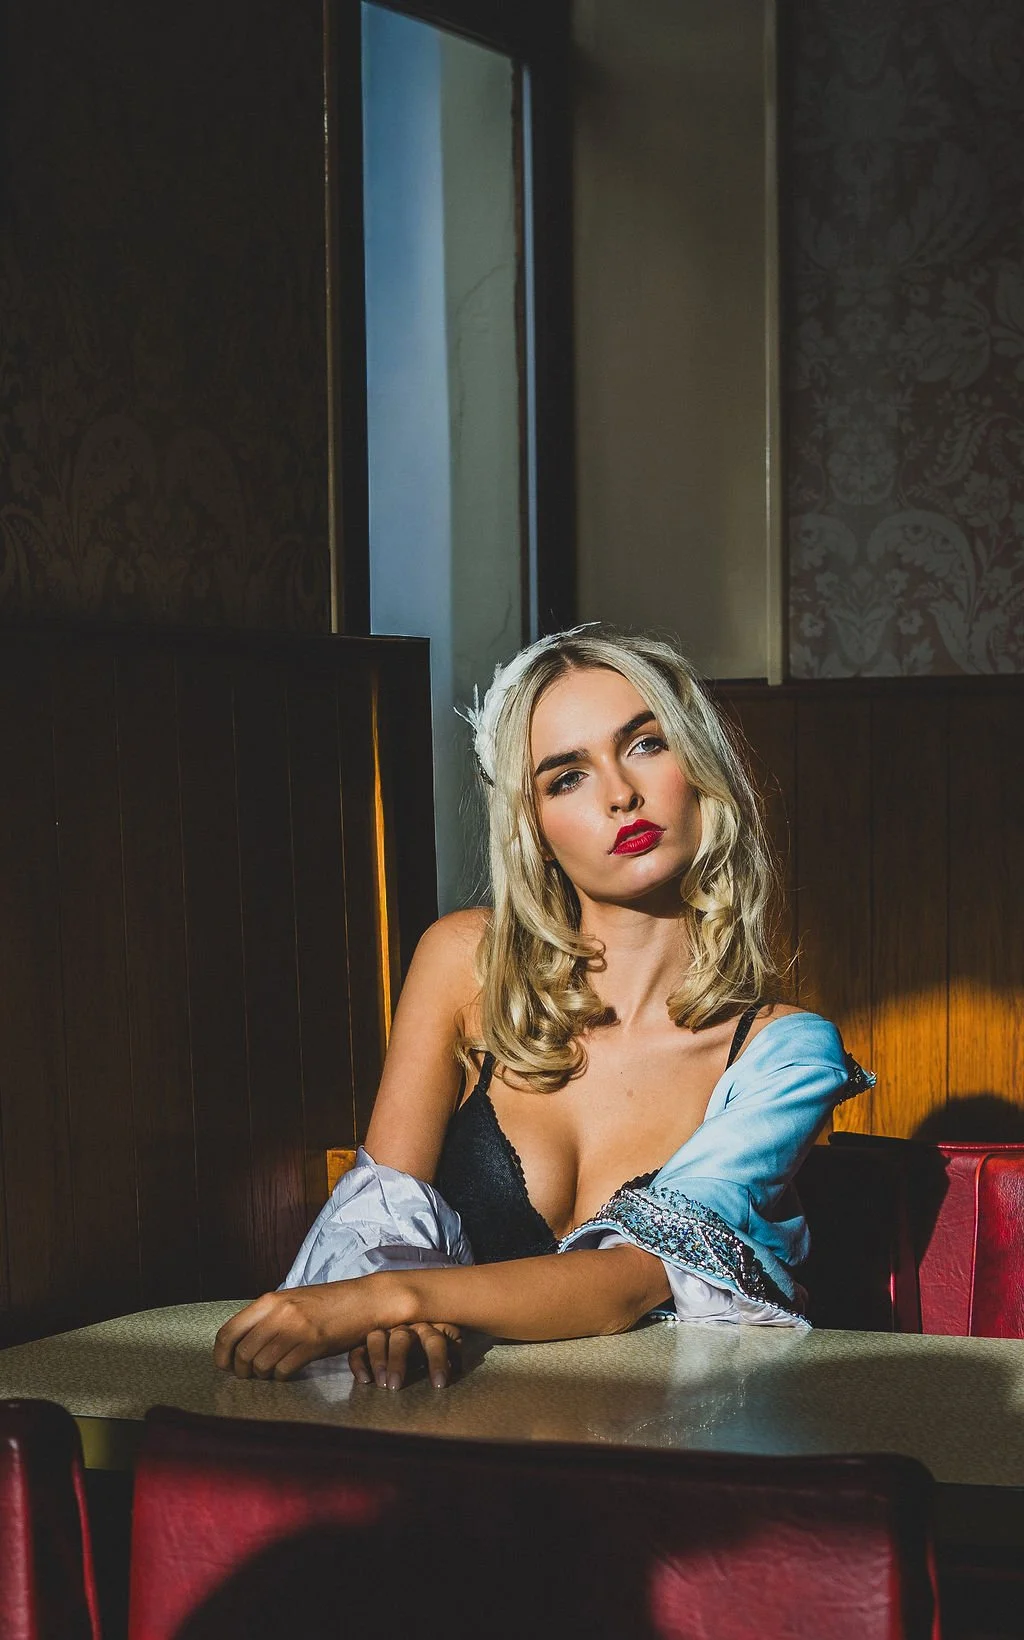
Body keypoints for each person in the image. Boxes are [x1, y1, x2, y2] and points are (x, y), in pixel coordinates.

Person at [214, 626, 872, 1386]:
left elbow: (635, 1280)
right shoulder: (467, 965)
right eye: (566, 777)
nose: (620, 793)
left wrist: (388, 1298)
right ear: (532, 827)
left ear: (701, 765)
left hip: (681, 1451)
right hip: (463, 1438)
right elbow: (380, 1221)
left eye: (646, 744)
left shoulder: (785, 1054)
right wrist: (401, 1319)